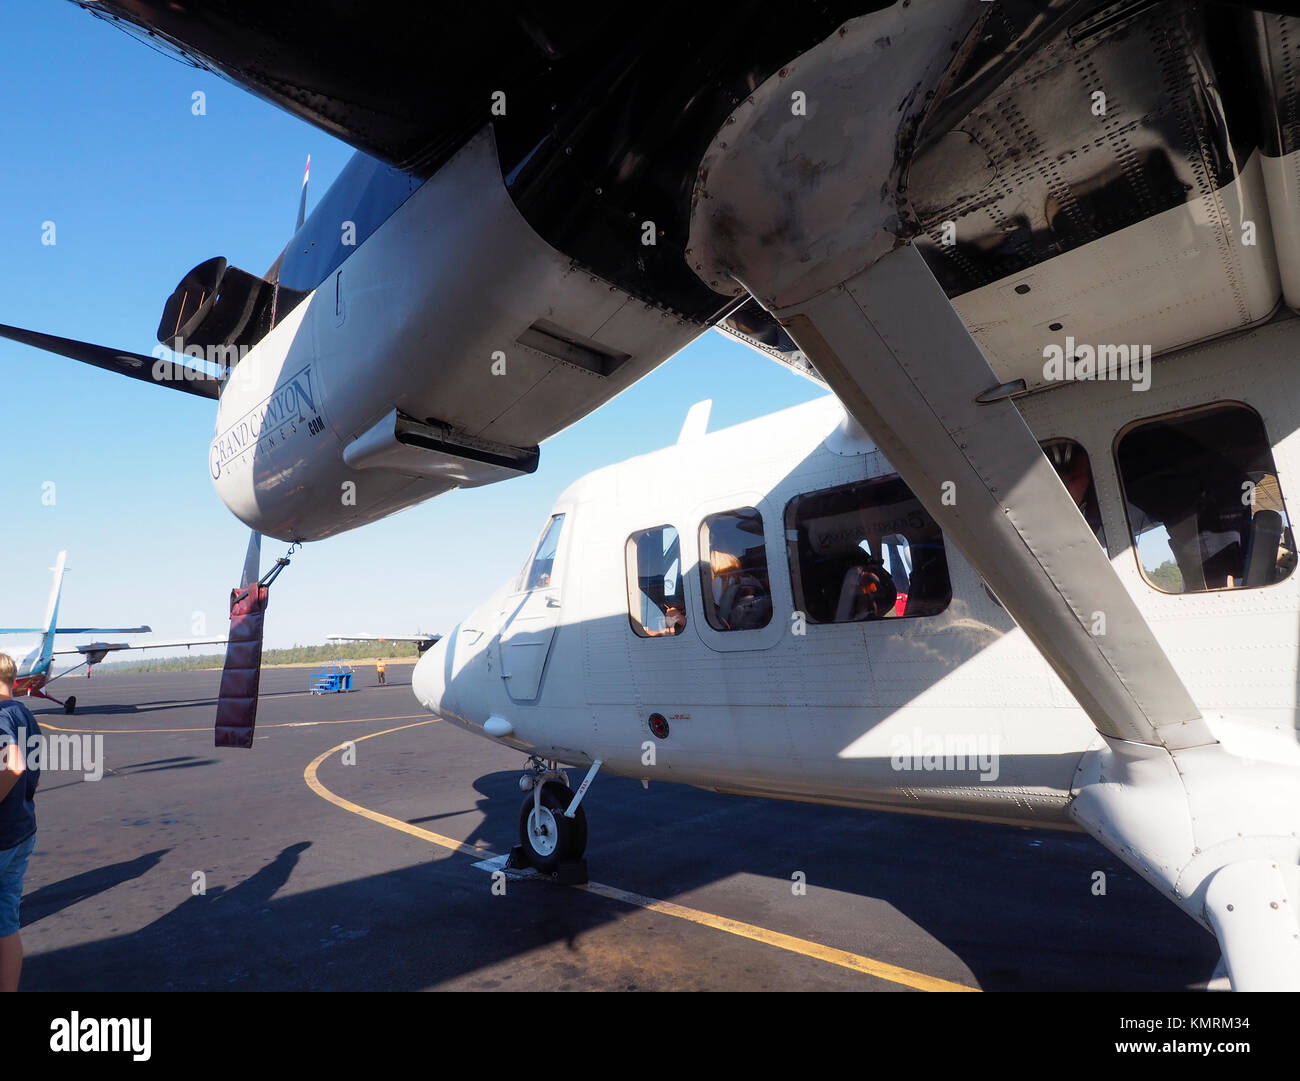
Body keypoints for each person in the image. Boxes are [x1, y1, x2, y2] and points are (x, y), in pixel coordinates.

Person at [0, 653, 40, 993]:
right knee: (6, 924)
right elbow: (32, 770)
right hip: (21, 830)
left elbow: (13, 765)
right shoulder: (26, 714)